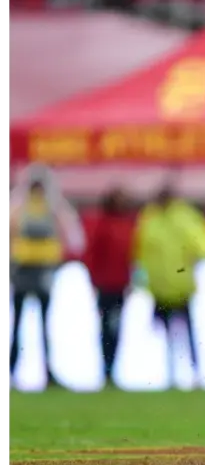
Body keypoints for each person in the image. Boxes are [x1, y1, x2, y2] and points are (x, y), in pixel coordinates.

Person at [134, 186, 205, 389]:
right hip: (159, 289)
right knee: (168, 334)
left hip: (181, 288)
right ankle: (172, 375)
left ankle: (195, 375)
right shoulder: (150, 218)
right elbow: (140, 252)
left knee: (186, 333)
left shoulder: (179, 217)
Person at [8, 164, 85, 389]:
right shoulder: (21, 205)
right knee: (20, 323)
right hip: (23, 270)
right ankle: (15, 370)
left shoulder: (51, 206)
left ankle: (46, 371)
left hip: (44, 270)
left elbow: (71, 232)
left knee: (41, 324)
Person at [84, 187, 136, 388]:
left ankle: (112, 368)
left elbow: (131, 255)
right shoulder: (103, 224)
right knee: (107, 327)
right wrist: (93, 281)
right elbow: (92, 255)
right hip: (105, 285)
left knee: (115, 327)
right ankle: (106, 368)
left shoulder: (127, 224)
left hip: (120, 285)